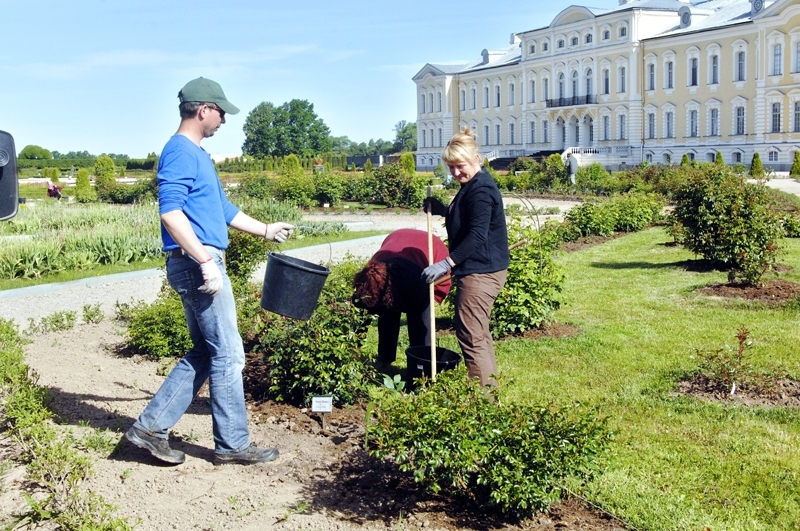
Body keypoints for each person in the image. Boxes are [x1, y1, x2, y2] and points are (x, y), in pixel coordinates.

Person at [125, 77, 294, 466]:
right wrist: (204, 261)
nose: (224, 120)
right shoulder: (181, 152)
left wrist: (266, 229)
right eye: (221, 112)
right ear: (203, 110)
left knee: (207, 350)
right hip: (197, 263)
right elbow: (170, 213)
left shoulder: (197, 155)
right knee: (229, 354)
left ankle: (150, 429)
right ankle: (232, 444)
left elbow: (223, 209)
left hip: (197, 262)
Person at [422, 127, 509, 387]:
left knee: (471, 335)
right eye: (451, 167)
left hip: (481, 273)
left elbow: (477, 235)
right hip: (481, 269)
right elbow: (468, 217)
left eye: (460, 166)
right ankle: (489, 392)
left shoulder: (480, 189)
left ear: (476, 159)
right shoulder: (473, 184)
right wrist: (443, 210)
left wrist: (447, 263)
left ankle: (483, 399)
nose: (456, 172)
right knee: (478, 333)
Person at [352, 229, 451, 371]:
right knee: (387, 315)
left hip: (428, 248)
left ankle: (422, 365)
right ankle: (385, 359)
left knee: (418, 322)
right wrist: (354, 349)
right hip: (396, 238)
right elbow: (361, 317)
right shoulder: (368, 280)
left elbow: (421, 323)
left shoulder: (415, 280)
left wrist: (421, 360)